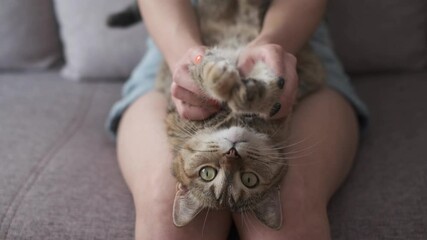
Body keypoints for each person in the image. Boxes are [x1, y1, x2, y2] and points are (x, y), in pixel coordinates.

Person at [107, 0, 369, 239]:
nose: (229, 159)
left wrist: (273, 44)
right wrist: (186, 60)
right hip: (172, 46)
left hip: (298, 42)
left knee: (290, 207)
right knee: (165, 207)